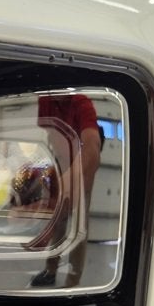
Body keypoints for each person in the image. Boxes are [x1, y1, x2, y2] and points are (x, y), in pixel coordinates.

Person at [31, 94, 102, 288]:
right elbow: (47, 134)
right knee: (58, 217)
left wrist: (71, 180)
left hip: (84, 163)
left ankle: (72, 281)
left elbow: (92, 144)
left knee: (79, 223)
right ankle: (51, 271)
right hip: (60, 161)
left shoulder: (82, 102)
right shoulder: (45, 99)